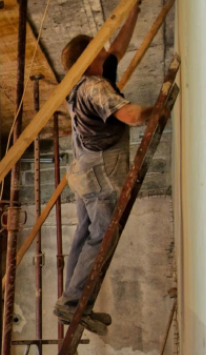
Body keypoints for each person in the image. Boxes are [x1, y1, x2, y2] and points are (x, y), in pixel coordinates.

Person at [53, 3, 155, 336]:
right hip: (98, 172)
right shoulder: (94, 88)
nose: (104, 52)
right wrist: (160, 107)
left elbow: (117, 49)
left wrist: (134, 12)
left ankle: (72, 303)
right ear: (89, 58)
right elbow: (133, 116)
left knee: (84, 234)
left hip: (83, 169)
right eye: (98, 50)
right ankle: (72, 304)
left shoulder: (91, 78)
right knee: (101, 236)